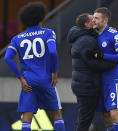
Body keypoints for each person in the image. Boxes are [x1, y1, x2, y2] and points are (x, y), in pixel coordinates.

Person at [4, 2, 66, 131]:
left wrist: (20, 78)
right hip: (46, 80)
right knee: (57, 114)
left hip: (28, 82)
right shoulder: (48, 33)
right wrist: (54, 73)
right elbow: (53, 52)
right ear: (40, 17)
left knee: (27, 117)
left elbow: (7, 58)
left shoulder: (17, 38)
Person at [67, 13, 118, 131]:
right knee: (84, 122)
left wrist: (107, 31)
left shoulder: (82, 36)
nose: (95, 20)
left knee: (85, 119)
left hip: (83, 83)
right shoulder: (87, 40)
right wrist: (113, 62)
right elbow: (93, 63)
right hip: (87, 86)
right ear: (87, 24)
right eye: (92, 19)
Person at [87, 7, 118, 131]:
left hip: (113, 79)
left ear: (105, 21)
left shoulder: (114, 34)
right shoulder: (91, 34)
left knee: (114, 114)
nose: (94, 20)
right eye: (93, 18)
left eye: (97, 18)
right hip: (99, 81)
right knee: (105, 115)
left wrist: (102, 55)